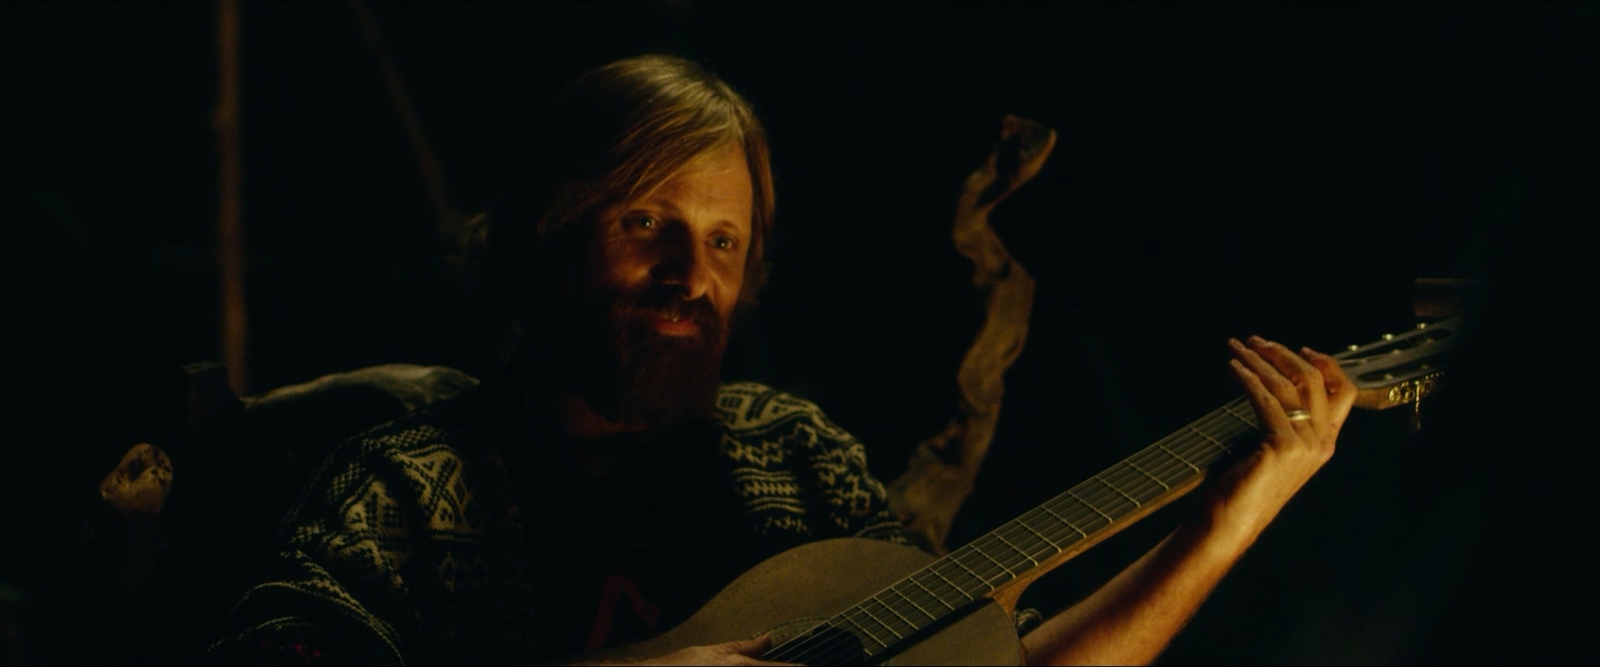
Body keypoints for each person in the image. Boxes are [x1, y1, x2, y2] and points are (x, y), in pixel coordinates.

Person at [211, 54, 1357, 666]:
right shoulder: (413, 485)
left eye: (722, 241)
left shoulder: (788, 458)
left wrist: (1226, 523)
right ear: (546, 237)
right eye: (643, 223)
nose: (688, 274)